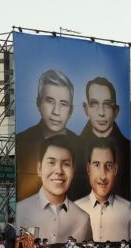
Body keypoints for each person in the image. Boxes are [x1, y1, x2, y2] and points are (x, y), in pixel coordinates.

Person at [16, 69, 82, 201]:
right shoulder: (21, 142)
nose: (56, 111)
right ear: (38, 103)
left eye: (63, 104)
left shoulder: (83, 146)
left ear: (71, 110)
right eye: (50, 101)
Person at [16, 135, 93, 243]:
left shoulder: (83, 218)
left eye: (66, 164)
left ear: (73, 171)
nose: (59, 171)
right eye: (51, 162)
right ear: (39, 168)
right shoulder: (20, 211)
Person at [74, 76, 130, 201]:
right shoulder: (72, 148)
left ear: (116, 111)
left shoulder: (127, 149)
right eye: (94, 104)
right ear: (86, 109)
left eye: (107, 104)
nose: (101, 112)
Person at [74, 138, 131, 242]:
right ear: (88, 169)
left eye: (108, 166)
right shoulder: (74, 208)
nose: (102, 176)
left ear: (115, 169)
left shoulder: (128, 210)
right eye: (96, 165)